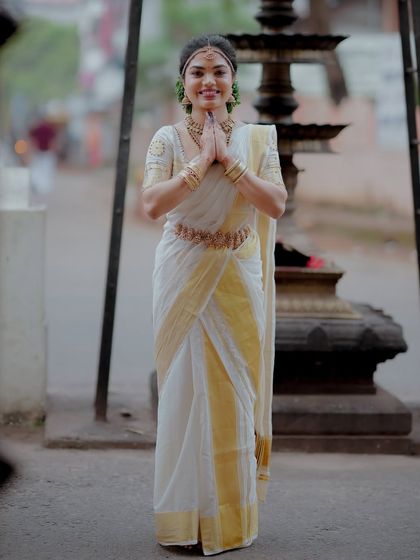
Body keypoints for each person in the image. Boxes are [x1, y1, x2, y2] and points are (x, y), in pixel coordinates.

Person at [141, 34, 287, 556]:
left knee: (232, 393)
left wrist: (232, 161)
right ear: (184, 83)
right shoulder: (166, 139)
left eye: (219, 71)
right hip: (183, 270)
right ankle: (186, 519)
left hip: (237, 273)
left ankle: (230, 518)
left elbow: (275, 205)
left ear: (232, 81)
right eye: (198, 72)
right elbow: (152, 205)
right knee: (185, 391)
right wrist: (201, 163)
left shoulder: (257, 140)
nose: (209, 81)